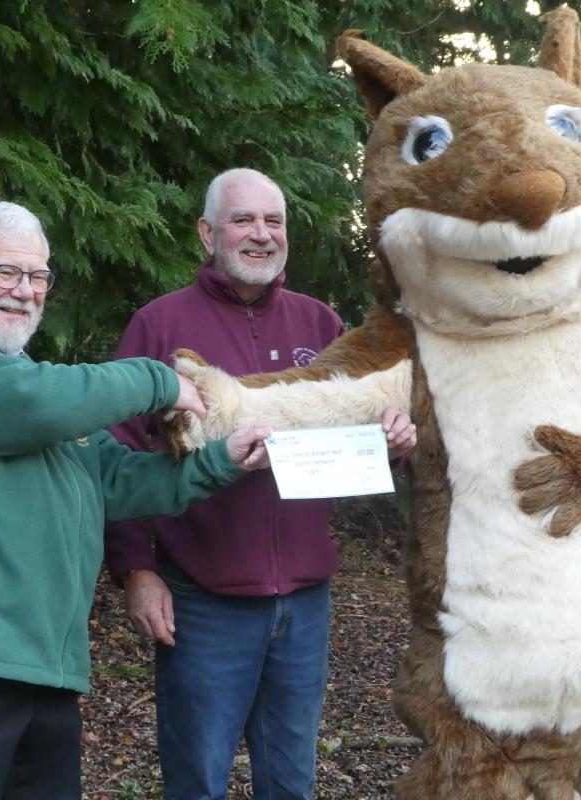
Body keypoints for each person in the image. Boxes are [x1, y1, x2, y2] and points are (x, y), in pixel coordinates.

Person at [0, 201, 275, 800]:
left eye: (37, 277)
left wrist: (222, 460)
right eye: (6, 272)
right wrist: (161, 381)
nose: (25, 292)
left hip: (50, 673)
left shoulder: (37, 386)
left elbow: (121, 481)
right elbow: (35, 403)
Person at [105, 168, 415, 800]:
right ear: (207, 233)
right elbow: (115, 457)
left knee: (291, 780)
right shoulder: (159, 327)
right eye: (244, 220)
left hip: (303, 602)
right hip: (203, 599)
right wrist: (137, 569)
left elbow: (359, 439)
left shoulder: (321, 326)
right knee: (197, 779)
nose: (261, 235)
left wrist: (394, 449)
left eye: (274, 222)